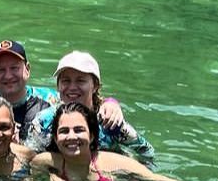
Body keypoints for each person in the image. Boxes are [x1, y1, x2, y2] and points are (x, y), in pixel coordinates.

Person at [30, 102, 218, 181]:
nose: (71, 137)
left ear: (92, 136)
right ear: (55, 138)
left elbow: (160, 180)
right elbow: (29, 180)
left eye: (79, 130)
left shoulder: (112, 163)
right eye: (64, 131)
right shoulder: (47, 161)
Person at [0, 40, 128, 146]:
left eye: (14, 68)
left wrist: (111, 103)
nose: (8, 76)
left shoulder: (50, 98)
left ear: (27, 69)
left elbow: (81, 101)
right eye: (1, 70)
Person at [25, 51, 154, 161]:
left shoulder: (109, 122)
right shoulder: (44, 121)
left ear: (95, 85)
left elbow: (147, 153)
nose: (72, 87)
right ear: (58, 86)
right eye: (66, 81)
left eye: (80, 80)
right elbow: (29, 157)